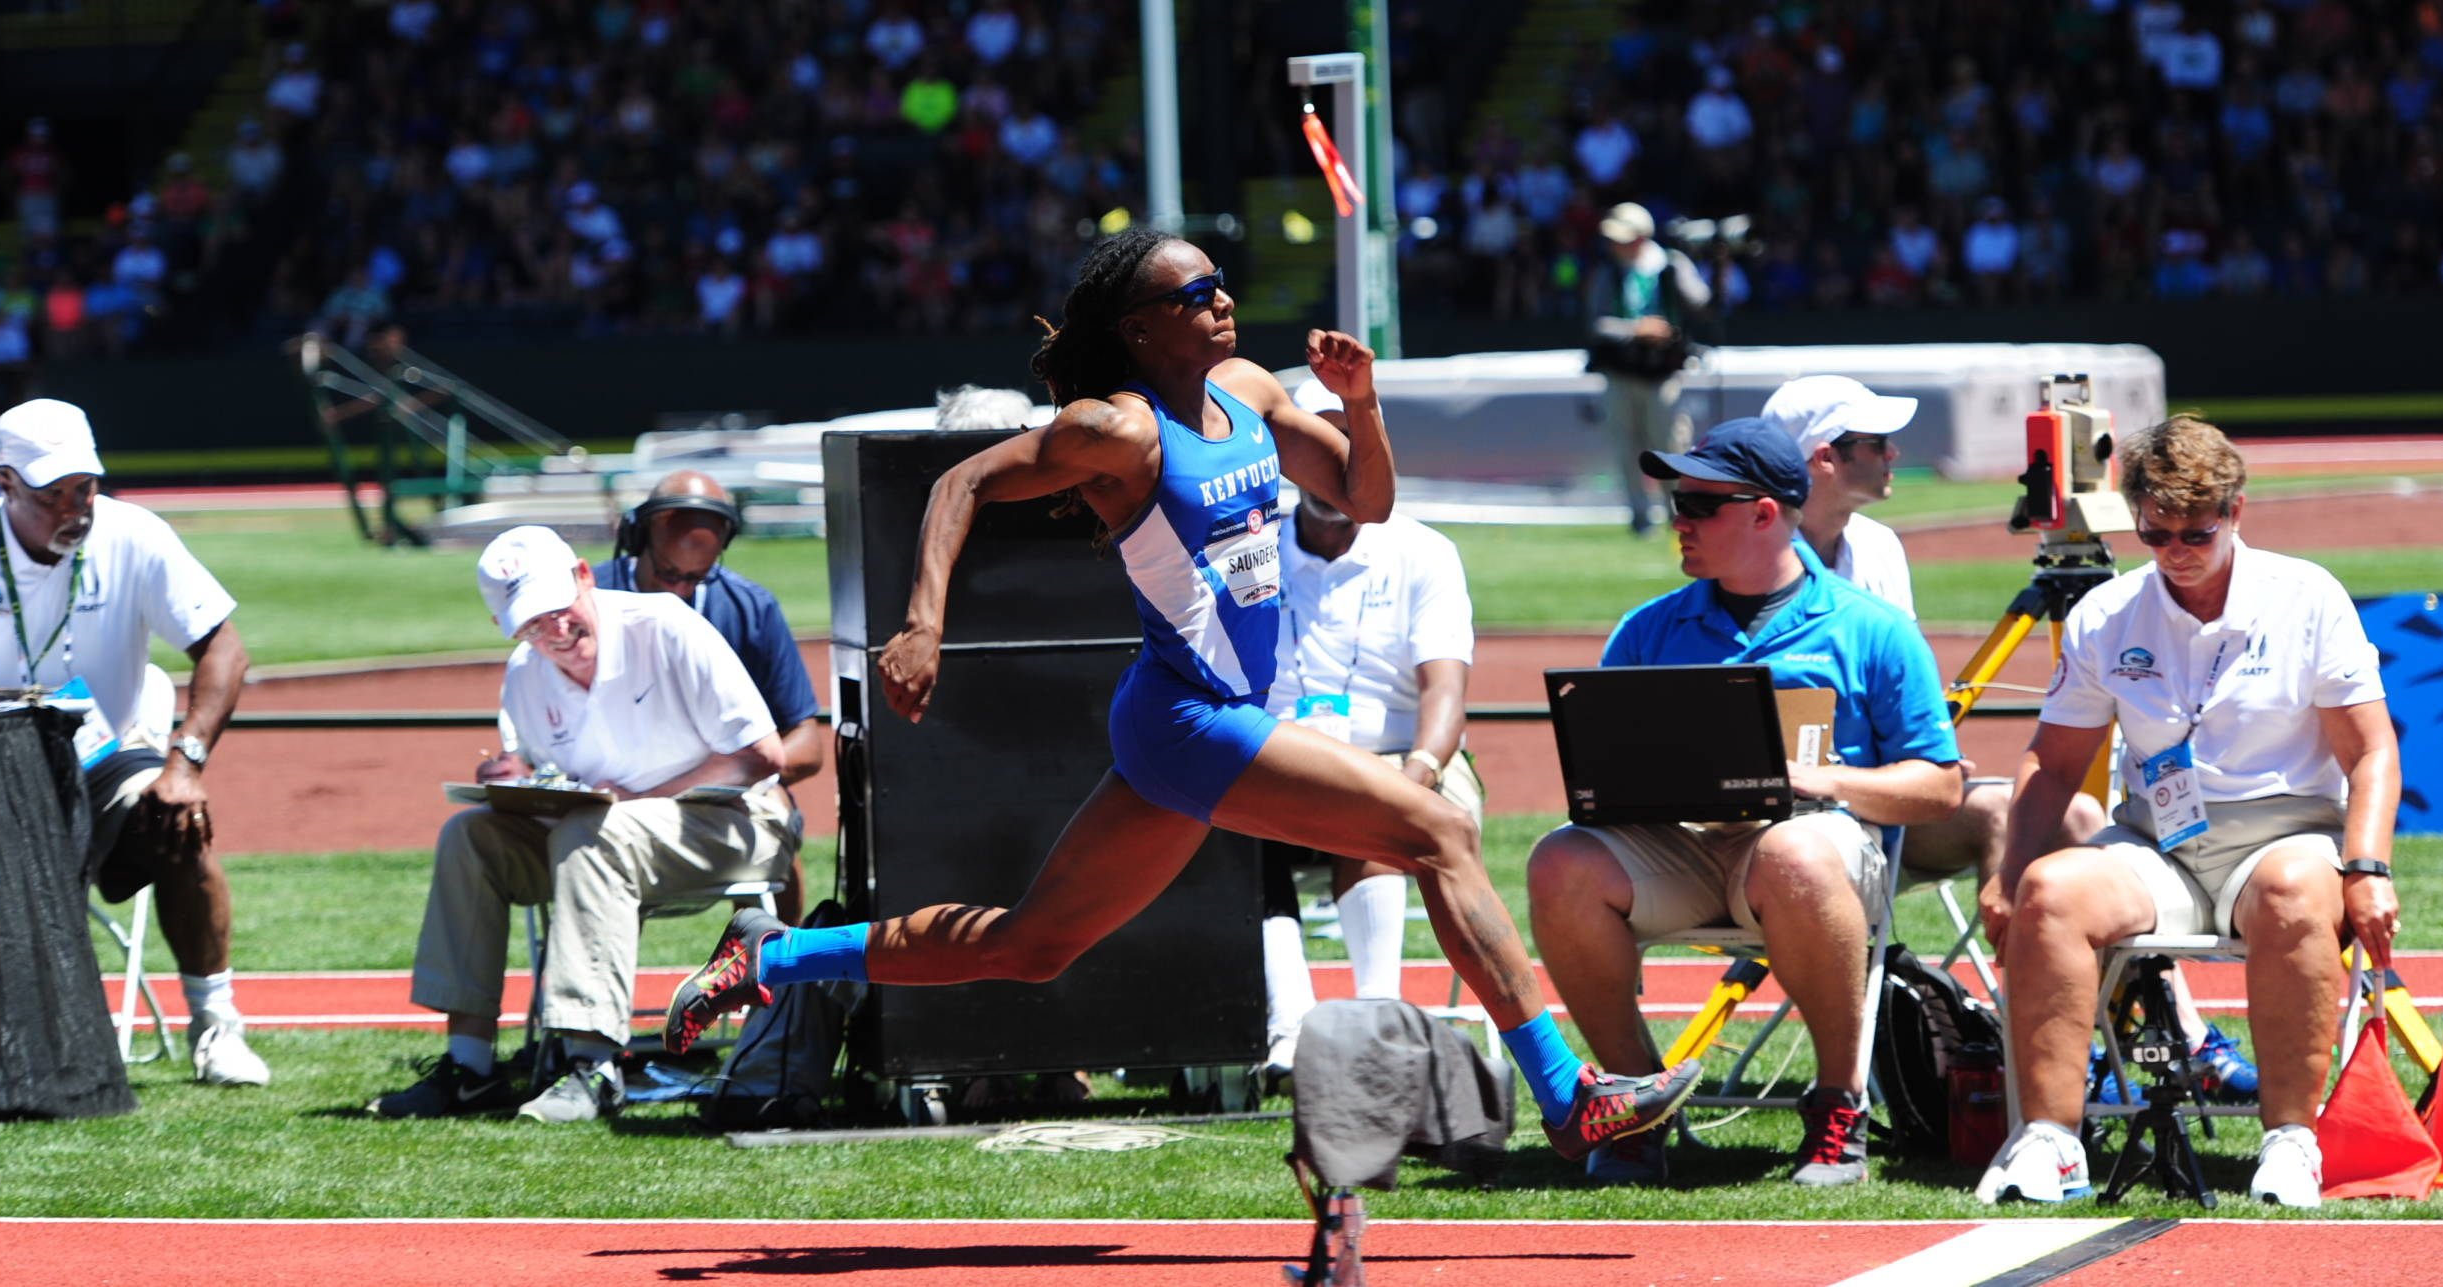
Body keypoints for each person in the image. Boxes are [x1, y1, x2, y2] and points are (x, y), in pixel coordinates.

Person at [659, 230, 1702, 1160]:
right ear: (1141, 327)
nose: (1219, 299)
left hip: (1195, 721)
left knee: (1032, 943)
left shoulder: (1248, 390)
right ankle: (1569, 1098)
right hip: (1187, 715)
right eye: (1193, 291)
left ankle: (775, 953)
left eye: (1218, 282)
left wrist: (1362, 405)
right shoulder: (1118, 431)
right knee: (1434, 827)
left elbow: (1366, 498)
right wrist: (924, 620)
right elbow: (958, 481)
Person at [1762, 375, 2258, 1101]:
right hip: (1800, 823)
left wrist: (1917, 756)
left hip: (1886, 805)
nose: (1894, 452)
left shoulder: (1878, 548)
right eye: (1874, 442)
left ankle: (2159, 1037)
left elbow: (1905, 697)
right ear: (1821, 458)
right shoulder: (1754, 551)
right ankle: (2060, 1052)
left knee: (2062, 814)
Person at [1525, 417, 1962, 1187]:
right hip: (1683, 843)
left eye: (1697, 503)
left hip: (1811, 847)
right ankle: (1638, 1105)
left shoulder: (1875, 629)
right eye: (1674, 501)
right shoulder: (1648, 629)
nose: (1678, 519)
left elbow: (1940, 784)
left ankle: (1839, 1101)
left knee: (1793, 848)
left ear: (1765, 513)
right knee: (1560, 857)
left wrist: (1823, 783)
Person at [1974, 417, 2399, 1209]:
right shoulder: (2107, 612)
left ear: (2238, 510)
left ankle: (2288, 1141)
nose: (2175, 549)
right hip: (2158, 838)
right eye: (2156, 532)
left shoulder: (2306, 594)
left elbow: (2371, 750)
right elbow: (2056, 759)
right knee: (2050, 891)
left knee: (2294, 892)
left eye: (2196, 532)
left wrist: (2368, 867)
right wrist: (2009, 873)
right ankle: (2052, 1142)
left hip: (2287, 830)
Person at [369, 525, 799, 1123]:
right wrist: (515, 782)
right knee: (468, 836)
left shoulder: (667, 627)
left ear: (584, 576)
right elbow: (556, 779)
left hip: (736, 821)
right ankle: (467, 1066)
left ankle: (592, 1068)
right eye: (530, 623)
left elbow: (762, 756)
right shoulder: (525, 672)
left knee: (593, 830)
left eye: (556, 608)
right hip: (603, 836)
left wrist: (636, 797)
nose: (554, 631)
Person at [0, 399, 265, 1085]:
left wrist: (185, 761)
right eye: (52, 495)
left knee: (180, 823)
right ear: (4, 483)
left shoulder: (134, 534)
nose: (75, 509)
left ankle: (217, 1026)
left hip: (104, 756)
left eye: (86, 487)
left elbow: (224, 648)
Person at [1258, 477, 1482, 1071]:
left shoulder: (1424, 550)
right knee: (1217, 809)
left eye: (1351, 456)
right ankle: (1289, 1029)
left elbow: (1445, 695)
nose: (1335, 474)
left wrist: (1414, 777)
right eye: (1319, 452)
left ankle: (1376, 1023)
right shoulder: (1249, 550)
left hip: (1406, 758)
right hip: (1276, 761)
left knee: (1373, 802)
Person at [595, 470, 823, 914]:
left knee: (781, 832)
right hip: (619, 785)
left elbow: (807, 744)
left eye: (695, 578)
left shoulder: (751, 608)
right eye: (666, 572)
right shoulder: (594, 601)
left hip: (727, 788)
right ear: (638, 537)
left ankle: (770, 975)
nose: (678, 589)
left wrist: (727, 776)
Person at [1585, 203, 1708, 535]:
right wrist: (1636, 329)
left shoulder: (1670, 265)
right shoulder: (1607, 272)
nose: (1616, 245)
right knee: (1626, 446)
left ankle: (1676, 512)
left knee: (1669, 444)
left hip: (1661, 373)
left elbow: (1700, 303)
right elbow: (1597, 325)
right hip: (1620, 372)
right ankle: (1639, 516)